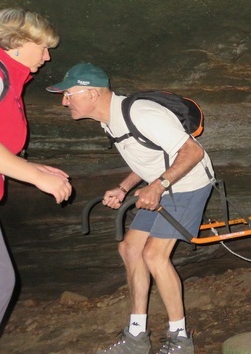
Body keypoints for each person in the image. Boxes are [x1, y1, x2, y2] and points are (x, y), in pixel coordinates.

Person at [48, 63, 214, 354]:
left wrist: (158, 185)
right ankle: (137, 335)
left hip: (188, 185)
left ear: (92, 93)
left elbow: (193, 152)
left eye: (69, 94)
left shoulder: (141, 114)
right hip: (163, 185)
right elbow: (148, 156)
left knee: (154, 255)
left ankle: (180, 338)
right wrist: (124, 187)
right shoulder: (110, 120)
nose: (64, 101)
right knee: (129, 249)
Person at [0, 8, 73, 330]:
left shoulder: (10, 79)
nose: (47, 57)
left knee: (2, 282)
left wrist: (29, 165)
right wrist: (35, 177)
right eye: (43, 47)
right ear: (17, 41)